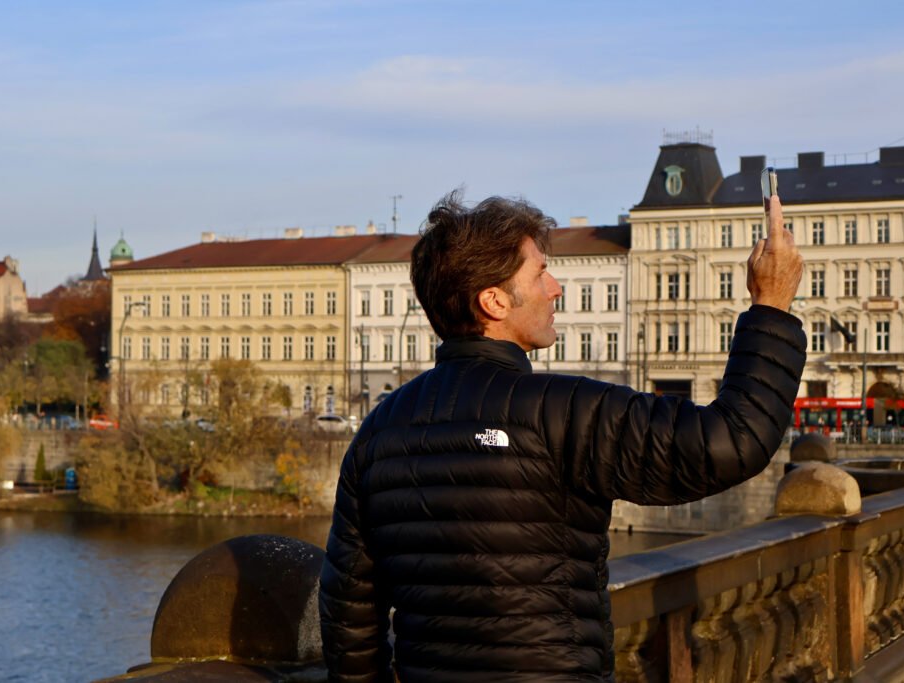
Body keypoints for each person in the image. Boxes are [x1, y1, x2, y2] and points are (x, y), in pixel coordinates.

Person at [319, 191, 806, 682]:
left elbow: (348, 613)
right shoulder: (565, 410)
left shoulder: (379, 429)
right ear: (493, 301)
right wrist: (771, 306)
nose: (556, 289)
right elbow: (731, 442)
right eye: (540, 274)